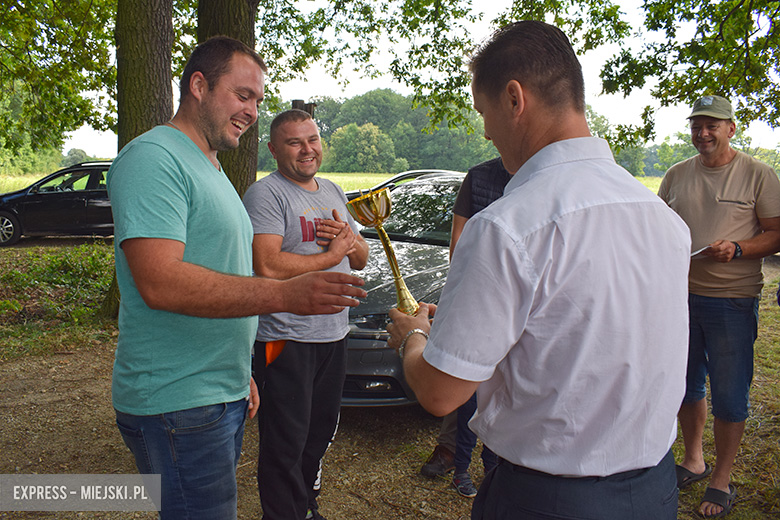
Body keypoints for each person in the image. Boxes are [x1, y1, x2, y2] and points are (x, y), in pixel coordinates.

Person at [386, 20, 692, 519]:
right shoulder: (662, 218)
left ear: (514, 99)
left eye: (483, 111)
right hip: (653, 491)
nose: (485, 130)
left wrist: (412, 336)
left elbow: (442, 393)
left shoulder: (507, 227)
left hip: (548, 500)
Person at [107, 38, 366, 520]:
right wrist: (286, 293)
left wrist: (238, 369)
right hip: (177, 400)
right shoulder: (153, 158)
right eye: (242, 95)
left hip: (216, 389)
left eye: (257, 100)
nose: (250, 110)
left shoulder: (211, 165)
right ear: (198, 86)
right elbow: (160, 282)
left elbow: (222, 270)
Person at [242, 109, 369, 520]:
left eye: (312, 139)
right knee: (285, 441)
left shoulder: (332, 190)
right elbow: (267, 265)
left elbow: (362, 258)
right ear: (274, 148)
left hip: (333, 334)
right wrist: (331, 254)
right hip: (284, 337)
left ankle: (305, 505)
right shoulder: (267, 195)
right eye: (294, 142)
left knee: (319, 433)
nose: (307, 150)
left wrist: (348, 244)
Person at [658, 95, 780, 518]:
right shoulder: (676, 175)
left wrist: (740, 247)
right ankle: (694, 460)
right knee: (685, 386)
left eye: (712, 125)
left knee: (730, 394)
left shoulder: (759, 174)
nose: (703, 133)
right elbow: (661, 228)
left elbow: (776, 234)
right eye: (696, 126)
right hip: (681, 298)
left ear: (731, 128)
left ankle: (721, 479)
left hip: (732, 300)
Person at [420, 157, 510, 495]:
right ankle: (455, 460)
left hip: (517, 306)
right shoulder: (480, 177)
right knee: (467, 391)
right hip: (479, 299)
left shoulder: (544, 177)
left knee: (500, 394)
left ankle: (495, 470)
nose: (487, 132)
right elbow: (458, 245)